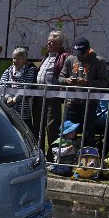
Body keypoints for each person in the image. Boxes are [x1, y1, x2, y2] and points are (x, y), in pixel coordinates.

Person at [58, 37, 108, 148]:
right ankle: (66, 158)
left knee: (88, 134)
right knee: (67, 132)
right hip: (71, 103)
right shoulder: (70, 59)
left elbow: (104, 82)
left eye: (82, 53)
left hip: (90, 104)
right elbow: (60, 77)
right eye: (77, 53)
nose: (79, 56)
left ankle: (87, 159)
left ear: (88, 50)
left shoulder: (99, 61)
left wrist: (87, 82)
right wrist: (67, 80)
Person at [33, 31, 71, 160]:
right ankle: (39, 153)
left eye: (52, 41)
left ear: (59, 44)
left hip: (52, 97)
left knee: (52, 127)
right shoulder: (46, 56)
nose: (48, 43)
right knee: (38, 126)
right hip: (38, 96)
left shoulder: (64, 56)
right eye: (48, 40)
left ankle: (52, 155)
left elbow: (65, 74)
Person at [0, 47, 38, 135]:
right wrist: (8, 97)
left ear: (24, 60)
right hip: (9, 107)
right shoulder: (8, 71)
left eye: (18, 58)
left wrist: (16, 99)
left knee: (24, 133)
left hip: (23, 109)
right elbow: (2, 85)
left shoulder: (29, 71)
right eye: (14, 58)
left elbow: (27, 86)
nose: (15, 61)